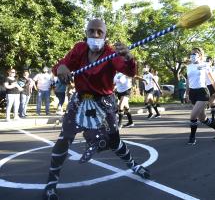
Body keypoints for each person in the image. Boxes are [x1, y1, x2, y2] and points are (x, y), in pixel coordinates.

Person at [42, 19, 150, 200]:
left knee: (114, 141)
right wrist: (60, 67)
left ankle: (133, 165)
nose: (95, 35)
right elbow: (61, 66)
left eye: (100, 32)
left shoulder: (111, 53)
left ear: (105, 35)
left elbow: (130, 72)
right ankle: (51, 184)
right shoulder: (79, 49)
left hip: (104, 103)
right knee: (64, 139)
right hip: (80, 99)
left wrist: (129, 57)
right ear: (86, 33)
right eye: (91, 31)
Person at [185, 48, 215, 145]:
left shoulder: (205, 65)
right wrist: (187, 93)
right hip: (192, 93)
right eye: (191, 54)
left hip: (202, 92)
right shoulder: (189, 66)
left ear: (200, 55)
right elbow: (188, 81)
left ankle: (192, 137)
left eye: (194, 53)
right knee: (202, 118)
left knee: (193, 116)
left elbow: (212, 79)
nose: (192, 55)